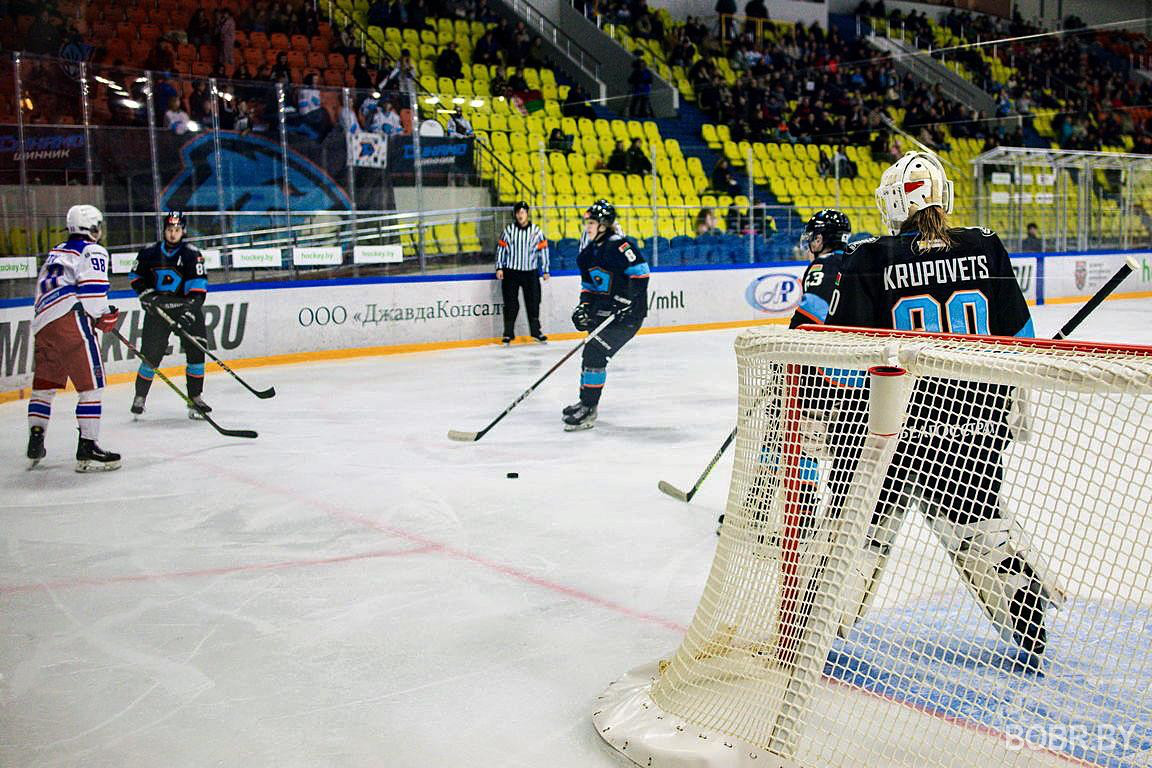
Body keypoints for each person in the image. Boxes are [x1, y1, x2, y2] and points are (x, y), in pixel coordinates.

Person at [824, 151, 1056, 662]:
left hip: (894, 423)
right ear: (943, 196)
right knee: (977, 525)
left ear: (891, 201)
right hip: (977, 415)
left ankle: (819, 629)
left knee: (859, 526)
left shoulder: (870, 257)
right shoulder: (986, 246)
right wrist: (1013, 399)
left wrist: (832, 419)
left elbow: (848, 354)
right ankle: (1028, 625)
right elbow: (1020, 335)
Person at [26, 205, 121, 471]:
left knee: (44, 387)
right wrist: (105, 316)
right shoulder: (93, 250)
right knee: (92, 387)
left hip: (43, 324)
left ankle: (36, 438)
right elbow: (92, 296)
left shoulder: (57, 251)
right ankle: (87, 448)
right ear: (92, 228)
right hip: (71, 321)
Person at [565, 200, 649, 431]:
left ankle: (589, 408)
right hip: (606, 310)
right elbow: (588, 287)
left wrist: (626, 302)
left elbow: (641, 276)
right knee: (590, 354)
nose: (588, 227)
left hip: (629, 316)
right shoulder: (586, 255)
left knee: (595, 352)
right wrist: (583, 307)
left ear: (604, 225)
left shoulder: (621, 247)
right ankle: (585, 402)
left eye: (592, 223)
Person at [129, 212, 211, 420]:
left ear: (183, 230)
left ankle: (195, 397)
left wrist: (189, 311)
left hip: (185, 309)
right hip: (157, 312)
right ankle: (140, 397)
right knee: (150, 356)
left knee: (197, 351)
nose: (173, 234)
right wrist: (147, 295)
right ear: (164, 230)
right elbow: (136, 277)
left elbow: (199, 288)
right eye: (169, 230)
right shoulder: (149, 252)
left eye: (177, 230)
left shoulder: (192, 254)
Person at [495, 201, 550, 345]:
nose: (520, 215)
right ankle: (508, 334)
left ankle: (536, 332)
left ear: (527, 214)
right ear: (515, 214)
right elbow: (501, 250)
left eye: (523, 212)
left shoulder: (536, 231)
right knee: (511, 304)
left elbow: (543, 251)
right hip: (511, 272)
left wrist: (545, 270)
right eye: (518, 212)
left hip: (530, 273)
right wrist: (499, 267)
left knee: (533, 303)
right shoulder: (509, 231)